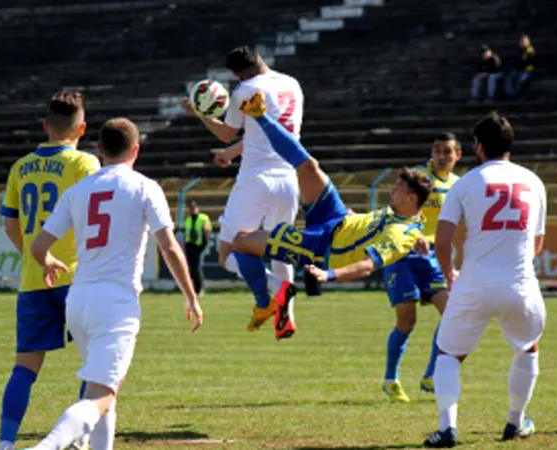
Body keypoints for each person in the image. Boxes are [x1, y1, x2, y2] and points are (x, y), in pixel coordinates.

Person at [24, 118, 203, 450]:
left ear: (100, 149)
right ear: (136, 150)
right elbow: (169, 246)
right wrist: (190, 296)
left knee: (104, 389)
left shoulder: (78, 190)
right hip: (116, 303)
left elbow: (37, 246)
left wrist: (47, 261)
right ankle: (46, 446)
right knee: (102, 396)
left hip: (78, 301)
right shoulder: (145, 187)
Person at [231, 92, 432, 340]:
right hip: (336, 217)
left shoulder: (401, 234)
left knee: (239, 241)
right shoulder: (403, 215)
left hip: (324, 246)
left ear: (411, 199)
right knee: (308, 166)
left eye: (398, 188)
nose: (392, 190)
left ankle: (264, 303)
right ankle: (259, 115)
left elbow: (368, 266)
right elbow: (373, 227)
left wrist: (329, 275)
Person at [422, 113, 547, 448]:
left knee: (448, 354)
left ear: (478, 147)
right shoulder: (533, 181)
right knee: (527, 348)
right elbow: (537, 244)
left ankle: (448, 428)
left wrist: (449, 276)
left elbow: (443, 240)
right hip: (520, 283)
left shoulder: (465, 183)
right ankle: (515, 422)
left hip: (474, 283)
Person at [0, 91, 101, 450]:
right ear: (82, 128)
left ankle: (6, 443)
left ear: (45, 125)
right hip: (77, 279)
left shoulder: (19, 166)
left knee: (25, 367)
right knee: (95, 364)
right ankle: (80, 438)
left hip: (33, 279)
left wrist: (35, 256)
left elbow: (10, 224)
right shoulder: (85, 164)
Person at [183, 45, 301, 331]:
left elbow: (226, 132)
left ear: (239, 74)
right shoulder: (292, 85)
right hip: (289, 177)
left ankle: (275, 291)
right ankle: (286, 317)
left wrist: (199, 113)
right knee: (280, 249)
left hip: (256, 180)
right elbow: (269, 133)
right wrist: (233, 154)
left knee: (227, 253)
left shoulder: (245, 91)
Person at [381, 133, 461, 403]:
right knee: (407, 322)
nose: (442, 156)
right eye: (438, 150)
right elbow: (394, 210)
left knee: (450, 315)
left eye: (447, 151)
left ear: (457, 155)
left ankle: (431, 375)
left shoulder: (459, 186)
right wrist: (413, 234)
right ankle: (390, 380)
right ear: (431, 152)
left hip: (434, 259)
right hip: (404, 254)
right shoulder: (418, 179)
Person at [184, 200, 212, 296]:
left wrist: (204, 244)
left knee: (196, 267)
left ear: (197, 209)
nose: (192, 210)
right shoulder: (188, 219)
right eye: (191, 208)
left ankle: (199, 289)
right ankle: (193, 289)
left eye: (194, 208)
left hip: (198, 245)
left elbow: (206, 230)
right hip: (189, 245)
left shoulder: (203, 218)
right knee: (190, 268)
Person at [505, 34, 536, 100]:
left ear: (528, 42)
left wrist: (522, 63)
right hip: (519, 70)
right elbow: (516, 62)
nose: (523, 43)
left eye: (524, 41)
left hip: (528, 71)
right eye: (522, 42)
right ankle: (510, 94)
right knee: (509, 77)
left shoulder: (531, 51)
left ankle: (515, 95)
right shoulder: (518, 51)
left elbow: (529, 63)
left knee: (521, 79)